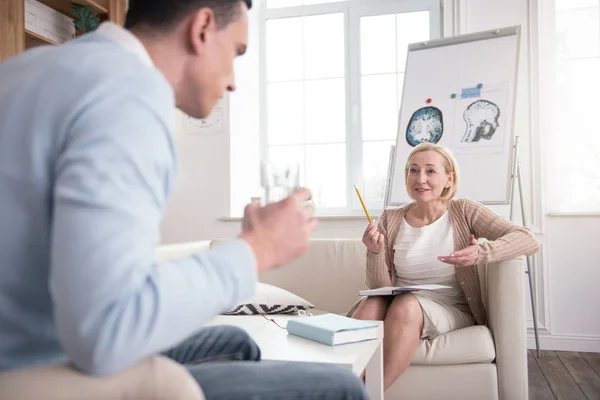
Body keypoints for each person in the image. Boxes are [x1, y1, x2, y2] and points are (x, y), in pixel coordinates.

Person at [0, 0, 368, 398]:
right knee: (341, 388)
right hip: (38, 364)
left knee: (235, 342)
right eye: (236, 53)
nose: (233, 82)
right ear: (203, 28)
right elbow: (107, 330)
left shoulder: (26, 69)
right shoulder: (129, 96)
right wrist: (256, 250)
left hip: (33, 334)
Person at [352, 142, 539, 391]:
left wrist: (481, 253)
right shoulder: (391, 218)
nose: (421, 179)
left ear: (449, 179)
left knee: (407, 304)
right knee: (372, 303)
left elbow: (528, 239)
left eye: (430, 171)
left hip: (450, 308)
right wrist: (375, 252)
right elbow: (380, 289)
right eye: (413, 170)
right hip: (398, 303)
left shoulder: (463, 210)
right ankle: (340, 388)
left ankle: (367, 394)